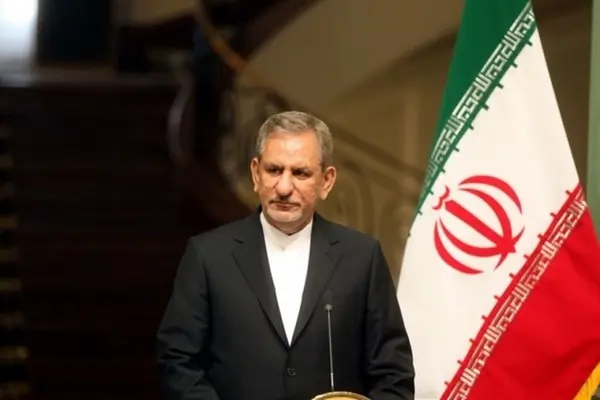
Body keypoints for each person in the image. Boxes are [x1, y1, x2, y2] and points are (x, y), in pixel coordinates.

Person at [156, 111, 415, 400]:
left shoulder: (362, 258)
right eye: (274, 170)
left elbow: (394, 374)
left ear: (327, 181)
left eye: (300, 173)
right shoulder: (207, 255)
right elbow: (177, 361)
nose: (283, 188)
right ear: (256, 174)